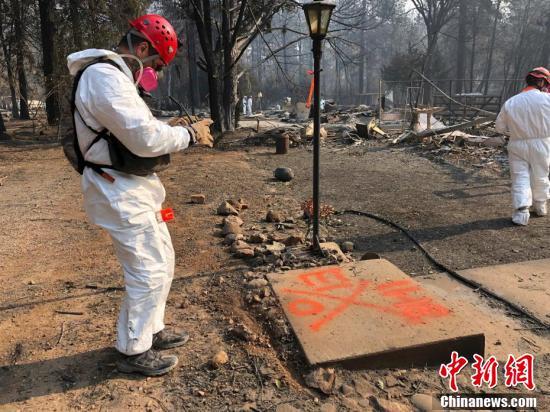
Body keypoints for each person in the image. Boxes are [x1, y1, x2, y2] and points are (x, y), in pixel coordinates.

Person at [67, 14, 213, 376]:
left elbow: (135, 127)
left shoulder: (113, 78)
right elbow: (144, 139)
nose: (155, 74)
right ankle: (133, 350)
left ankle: (151, 329)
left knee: (162, 258)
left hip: (134, 188)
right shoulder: (103, 77)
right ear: (142, 48)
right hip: (118, 190)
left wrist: (171, 128)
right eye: (157, 64)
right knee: (146, 270)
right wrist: (189, 135)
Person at [496, 67, 550, 226]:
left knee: (520, 177)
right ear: (541, 82)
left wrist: (514, 130)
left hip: (517, 144)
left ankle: (521, 214)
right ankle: (540, 207)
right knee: (540, 174)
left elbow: (499, 127)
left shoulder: (511, 102)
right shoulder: (547, 99)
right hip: (543, 143)